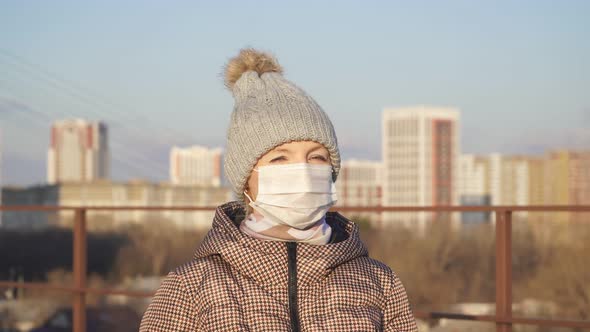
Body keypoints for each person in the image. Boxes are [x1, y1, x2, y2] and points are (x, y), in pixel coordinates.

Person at [140, 48, 418, 331]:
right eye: (280, 158)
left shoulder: (379, 281)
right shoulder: (191, 287)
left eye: (317, 157)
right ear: (247, 178)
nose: (304, 171)